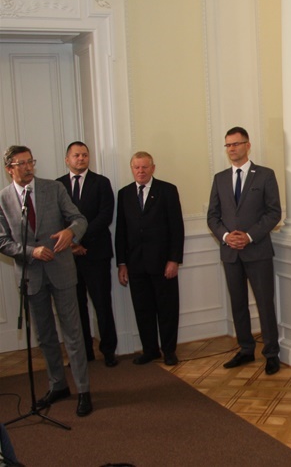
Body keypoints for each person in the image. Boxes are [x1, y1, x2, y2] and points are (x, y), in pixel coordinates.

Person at [0, 145, 93, 417]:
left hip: (61, 271)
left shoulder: (53, 188)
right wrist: (31, 252)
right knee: (45, 336)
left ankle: (84, 390)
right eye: (21, 163)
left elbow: (79, 219)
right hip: (31, 276)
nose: (28, 167)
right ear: (9, 169)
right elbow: (2, 241)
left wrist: (70, 233)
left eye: (31, 161)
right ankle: (58, 385)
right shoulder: (3, 198)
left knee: (73, 332)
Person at [208, 127, 283, 376]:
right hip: (231, 252)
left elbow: (273, 212)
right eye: (228, 145)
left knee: (264, 304)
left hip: (257, 251)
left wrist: (249, 236)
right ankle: (246, 349)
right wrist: (227, 236)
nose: (232, 149)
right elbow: (212, 216)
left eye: (236, 144)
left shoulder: (264, 175)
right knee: (238, 303)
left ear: (247, 145)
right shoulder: (220, 178)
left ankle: (271, 353)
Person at [115, 151, 184, 366]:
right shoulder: (124, 194)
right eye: (137, 167)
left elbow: (176, 228)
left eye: (145, 167)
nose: (141, 171)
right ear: (131, 169)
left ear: (153, 168)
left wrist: (174, 260)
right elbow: (120, 231)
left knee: (167, 310)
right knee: (143, 310)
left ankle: (169, 351)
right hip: (135, 264)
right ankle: (150, 350)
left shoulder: (167, 190)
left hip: (163, 264)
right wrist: (122, 263)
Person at [57, 142, 118, 367]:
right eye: (76, 155)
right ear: (67, 159)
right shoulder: (57, 185)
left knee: (102, 304)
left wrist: (78, 238)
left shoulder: (101, 183)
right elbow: (56, 218)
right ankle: (84, 352)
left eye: (84, 155)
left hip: (96, 253)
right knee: (76, 307)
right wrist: (72, 244)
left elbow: (105, 216)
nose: (81, 158)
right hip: (68, 256)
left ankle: (108, 351)